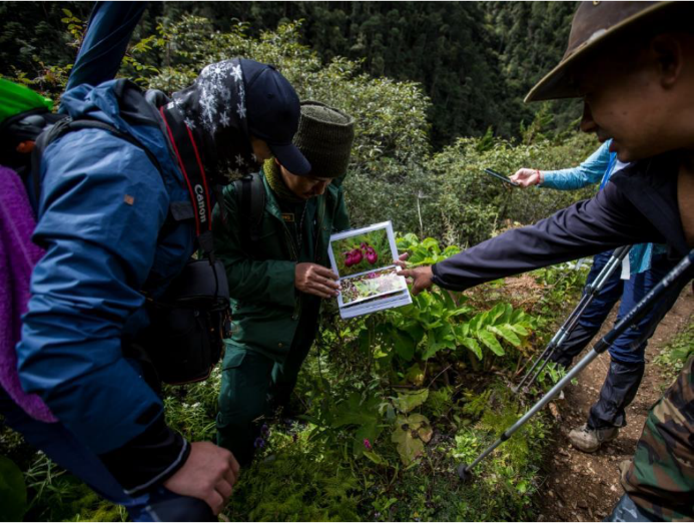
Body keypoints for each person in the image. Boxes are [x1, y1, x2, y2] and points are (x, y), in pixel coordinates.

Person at [398, 1, 693, 520]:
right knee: (660, 473)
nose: (586, 123)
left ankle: (606, 421)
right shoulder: (644, 186)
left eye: (590, 96)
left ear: (668, 60)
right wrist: (439, 271)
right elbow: (545, 237)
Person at [1, 57, 310, 520]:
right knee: (181, 506)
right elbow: (61, 342)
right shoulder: (125, 175)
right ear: (229, 133)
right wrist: (165, 457)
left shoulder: (157, 145)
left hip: (93, 360)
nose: (259, 165)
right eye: (263, 148)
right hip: (47, 364)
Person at [213, 101, 354, 466]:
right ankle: (233, 477)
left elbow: (341, 246)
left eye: (328, 180)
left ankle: (275, 419)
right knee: (238, 415)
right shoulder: (238, 194)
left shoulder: (328, 192)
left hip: (303, 321)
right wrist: (288, 275)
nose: (320, 190)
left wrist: (378, 266)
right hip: (253, 326)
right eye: (312, 178)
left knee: (280, 388)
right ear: (282, 158)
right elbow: (220, 271)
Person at [510, 145, 677, 453]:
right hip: (615, 238)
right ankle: (550, 374)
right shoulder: (620, 133)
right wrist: (539, 176)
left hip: (657, 257)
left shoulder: (677, 144)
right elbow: (586, 173)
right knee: (587, 310)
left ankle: (603, 424)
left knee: (627, 338)